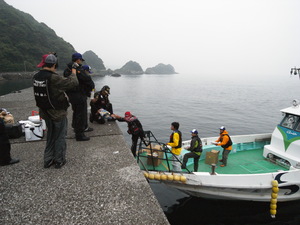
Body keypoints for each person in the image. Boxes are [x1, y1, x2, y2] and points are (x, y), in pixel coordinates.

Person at [33, 54, 79, 168]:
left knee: (50, 135)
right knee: (60, 136)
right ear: (54, 65)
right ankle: (59, 160)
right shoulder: (53, 78)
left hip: (44, 111)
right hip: (57, 112)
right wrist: (73, 71)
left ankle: (48, 160)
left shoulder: (36, 76)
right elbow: (72, 83)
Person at [64, 53, 95, 141]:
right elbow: (86, 79)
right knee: (80, 114)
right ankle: (79, 134)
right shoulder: (77, 69)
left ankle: (77, 128)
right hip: (79, 95)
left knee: (76, 112)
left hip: (72, 95)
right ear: (78, 60)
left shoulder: (67, 69)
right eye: (81, 60)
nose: (81, 62)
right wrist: (91, 86)